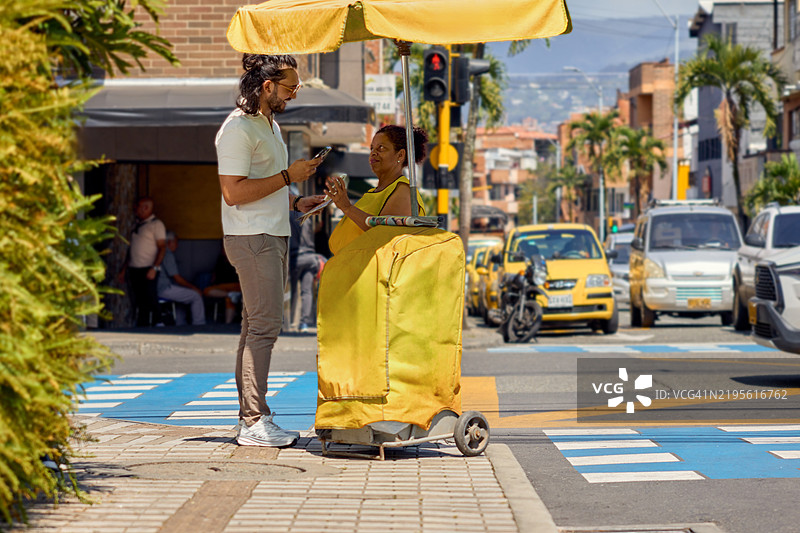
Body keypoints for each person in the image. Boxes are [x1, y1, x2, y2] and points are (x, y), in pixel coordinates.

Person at [215, 53, 325, 448]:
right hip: (252, 238)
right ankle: (253, 422)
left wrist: (297, 201)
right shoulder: (238, 130)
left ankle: (253, 417)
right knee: (263, 327)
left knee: (255, 327)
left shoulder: (269, 125)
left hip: (273, 234)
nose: (294, 94)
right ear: (267, 87)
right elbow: (233, 193)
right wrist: (287, 176)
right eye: (290, 87)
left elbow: (268, 188)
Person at [326, 125, 427, 255]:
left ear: (400, 155)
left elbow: (385, 236)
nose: (373, 153)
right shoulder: (373, 192)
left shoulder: (403, 191)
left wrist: (347, 208)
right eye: (372, 148)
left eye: (381, 148)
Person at [120, 197, 166, 326]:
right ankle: (142, 325)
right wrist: (124, 269)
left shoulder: (156, 224)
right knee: (139, 299)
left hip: (149, 268)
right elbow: (131, 250)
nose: (135, 209)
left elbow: (162, 247)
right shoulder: (137, 224)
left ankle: (159, 322)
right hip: (134, 268)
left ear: (146, 208)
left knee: (150, 296)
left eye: (138, 206)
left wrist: (155, 267)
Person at [157, 232, 206, 326]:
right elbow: (177, 278)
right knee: (196, 296)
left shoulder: (160, 251)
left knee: (183, 297)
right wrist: (194, 288)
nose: (177, 245)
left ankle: (181, 325)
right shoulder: (167, 254)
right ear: (170, 242)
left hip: (158, 288)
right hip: (164, 288)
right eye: (176, 242)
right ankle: (199, 325)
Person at [289, 212, 322, 333]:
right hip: (310, 256)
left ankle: (290, 320)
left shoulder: (288, 216)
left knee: (291, 290)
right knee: (307, 291)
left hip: (295, 257)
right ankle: (304, 323)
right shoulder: (307, 218)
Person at [202, 249, 241, 324]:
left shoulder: (238, 259)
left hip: (236, 285)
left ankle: (227, 324)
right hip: (222, 287)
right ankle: (231, 295)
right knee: (207, 291)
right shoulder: (220, 259)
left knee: (230, 298)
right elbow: (214, 277)